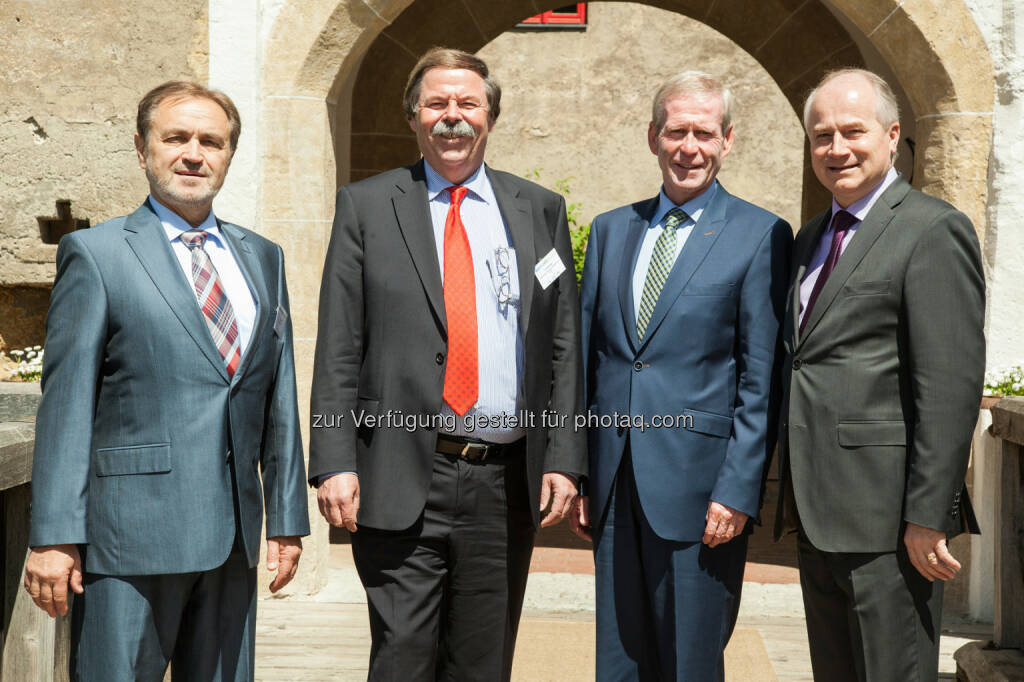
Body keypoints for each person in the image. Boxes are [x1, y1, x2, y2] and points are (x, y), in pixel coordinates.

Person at [308, 47, 585, 681]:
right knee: (403, 656)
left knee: (482, 663)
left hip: (502, 481)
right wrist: (334, 461)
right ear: (413, 117)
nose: (452, 117)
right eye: (437, 104)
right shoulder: (369, 206)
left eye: (467, 104)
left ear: (490, 117)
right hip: (401, 472)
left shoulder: (538, 209)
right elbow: (340, 344)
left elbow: (561, 340)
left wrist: (565, 457)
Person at [23, 81, 310, 681]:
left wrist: (286, 519)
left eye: (212, 141)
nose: (193, 153)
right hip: (130, 538)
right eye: (175, 137)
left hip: (234, 538)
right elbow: (67, 403)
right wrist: (53, 536)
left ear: (230, 154)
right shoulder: (96, 254)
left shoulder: (264, 257)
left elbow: (277, 395)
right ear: (142, 147)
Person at [574, 71, 792, 680]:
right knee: (618, 660)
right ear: (653, 138)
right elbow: (593, 362)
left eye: (703, 133)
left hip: (702, 495)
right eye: (676, 132)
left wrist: (737, 489)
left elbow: (760, 378)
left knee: (690, 662)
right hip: (616, 484)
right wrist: (584, 473)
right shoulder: (612, 229)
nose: (688, 147)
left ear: (727, 141)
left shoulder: (761, 236)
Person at [774, 68, 984, 681]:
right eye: (821, 136)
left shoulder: (932, 228)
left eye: (852, 132)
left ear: (892, 136)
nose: (836, 149)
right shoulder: (812, 237)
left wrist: (928, 515)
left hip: (891, 525)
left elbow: (948, 386)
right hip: (817, 512)